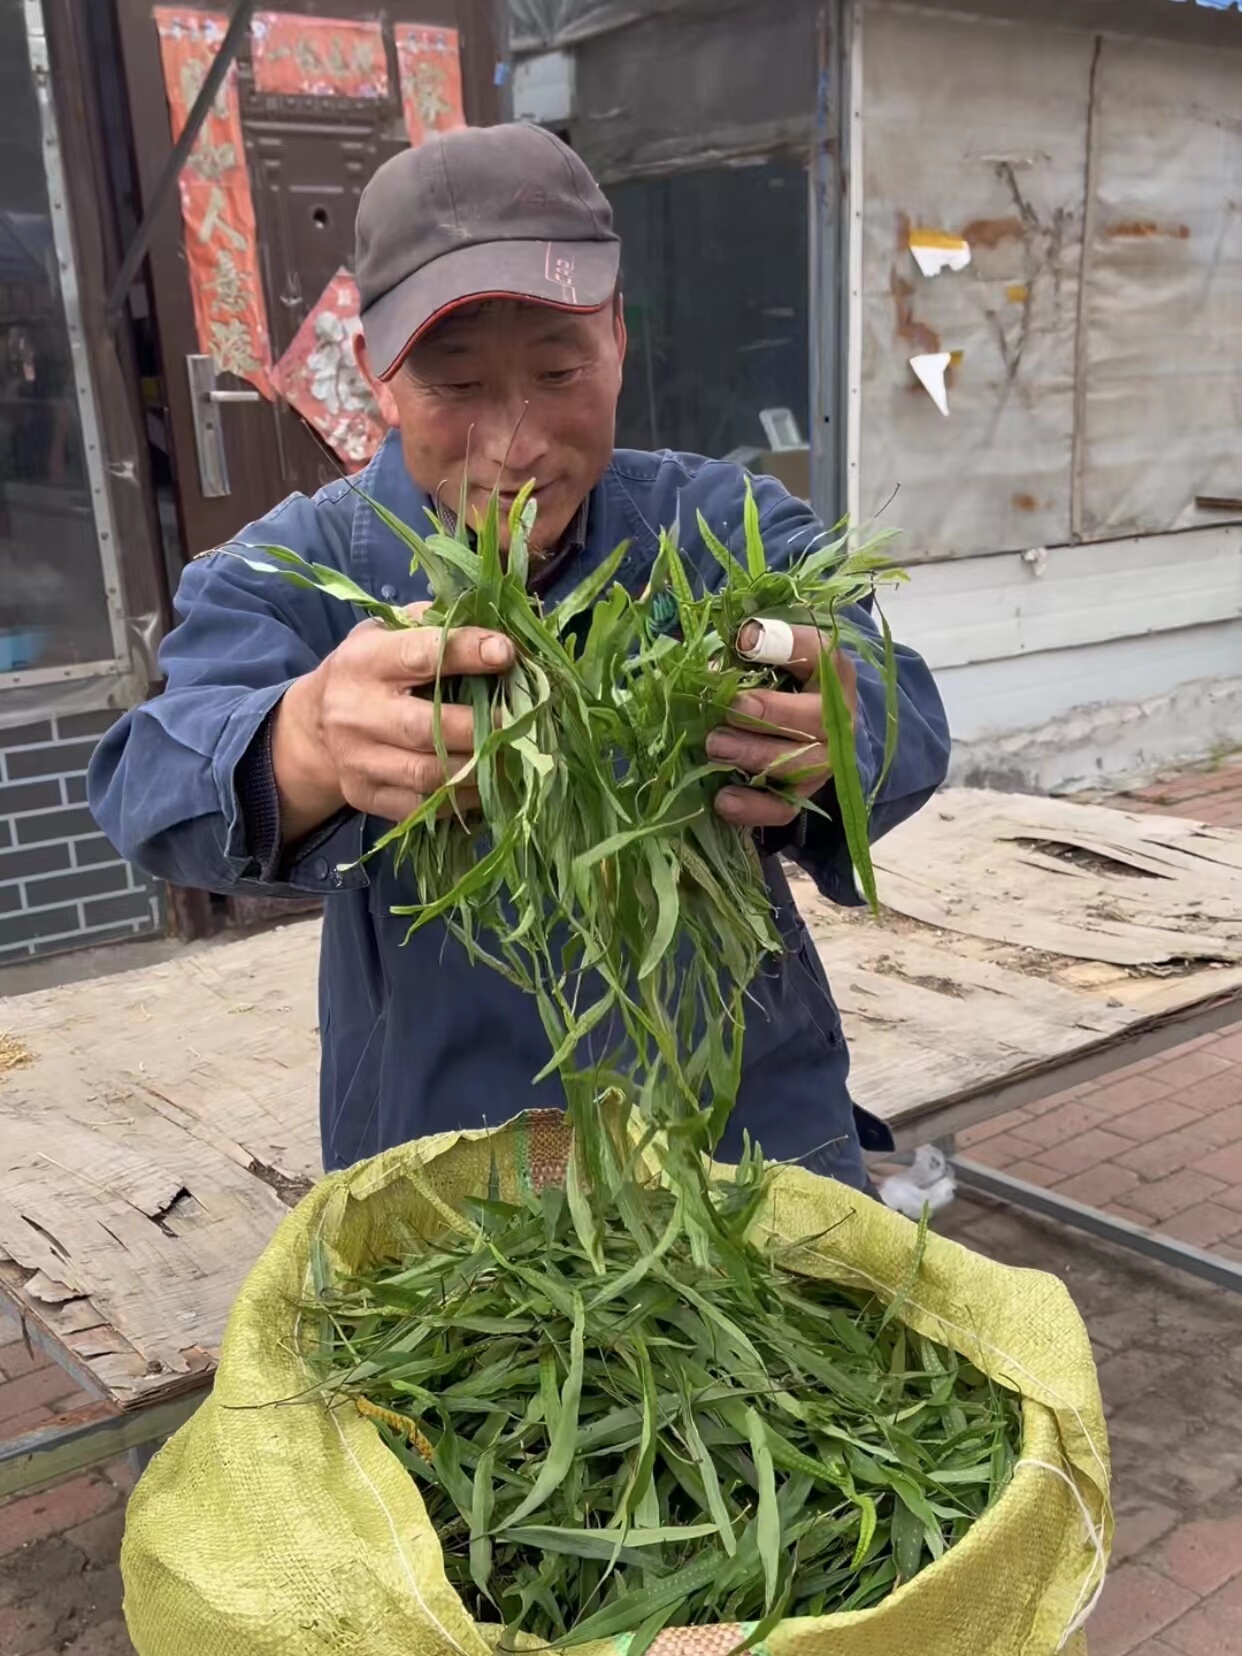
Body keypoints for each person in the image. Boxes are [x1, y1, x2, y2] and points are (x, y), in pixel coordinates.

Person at [89, 123, 950, 1190]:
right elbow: (142, 780)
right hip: (472, 1164)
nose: (517, 443)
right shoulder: (308, 566)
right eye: (455, 387)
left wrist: (842, 727)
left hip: (748, 1128)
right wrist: (300, 743)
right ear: (377, 374)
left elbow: (901, 706)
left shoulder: (720, 524)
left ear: (619, 339)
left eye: (558, 369)